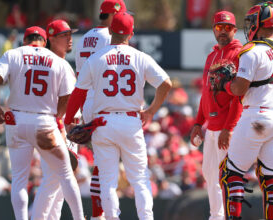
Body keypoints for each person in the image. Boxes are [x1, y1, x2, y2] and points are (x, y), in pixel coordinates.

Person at [64, 12, 172, 220]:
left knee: (107, 181)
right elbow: (165, 83)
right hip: (131, 121)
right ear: (131, 34)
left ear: (111, 30)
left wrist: (69, 120)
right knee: (140, 178)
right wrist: (150, 110)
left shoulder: (96, 58)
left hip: (103, 122)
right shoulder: (140, 57)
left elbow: (79, 93)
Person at [0, 26, 84, 220]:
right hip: (44, 121)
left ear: (25, 40)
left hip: (16, 120)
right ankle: (79, 218)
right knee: (65, 174)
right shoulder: (58, 61)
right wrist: (58, 115)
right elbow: (68, 96)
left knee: (19, 180)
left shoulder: (13, 54)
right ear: (45, 40)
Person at [218, 2, 273, 220]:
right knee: (272, 175)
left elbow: (239, 89)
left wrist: (225, 83)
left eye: (252, 21)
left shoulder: (251, 51)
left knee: (230, 172)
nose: (249, 25)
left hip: (257, 115)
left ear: (259, 23)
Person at [74, 0, 126, 219]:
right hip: (105, 103)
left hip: (88, 102)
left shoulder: (84, 38)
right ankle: (100, 215)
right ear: (114, 16)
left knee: (102, 163)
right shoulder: (111, 38)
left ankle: (98, 214)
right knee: (108, 166)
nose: (124, 21)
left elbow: (80, 78)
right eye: (122, 16)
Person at [189, 10, 242, 220]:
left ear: (235, 30)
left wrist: (229, 128)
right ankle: (216, 216)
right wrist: (198, 122)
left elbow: (239, 96)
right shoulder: (211, 56)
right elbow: (205, 92)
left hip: (228, 126)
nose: (223, 31)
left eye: (228, 27)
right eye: (219, 27)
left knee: (226, 176)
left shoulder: (239, 54)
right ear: (213, 29)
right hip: (211, 126)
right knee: (209, 174)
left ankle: (229, 216)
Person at [31, 20, 79, 220]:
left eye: (70, 34)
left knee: (59, 185)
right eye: (64, 35)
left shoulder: (47, 62)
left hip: (54, 125)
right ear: (51, 38)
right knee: (53, 180)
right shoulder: (56, 63)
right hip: (57, 126)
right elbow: (64, 102)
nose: (69, 38)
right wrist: (62, 124)